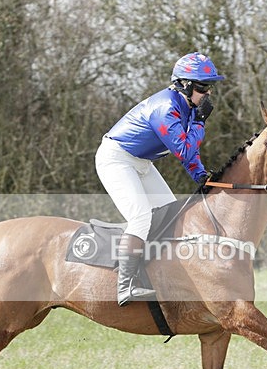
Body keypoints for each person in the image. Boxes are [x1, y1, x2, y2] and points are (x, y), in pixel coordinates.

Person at [96, 52, 224, 306]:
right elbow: (185, 150)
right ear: (184, 85)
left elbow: (190, 154)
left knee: (171, 216)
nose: (207, 93)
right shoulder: (166, 108)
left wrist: (202, 176)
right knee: (142, 216)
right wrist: (199, 121)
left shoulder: (186, 106)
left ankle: (163, 276)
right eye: (202, 87)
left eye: (209, 87)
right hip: (116, 160)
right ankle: (125, 286)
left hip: (142, 163)